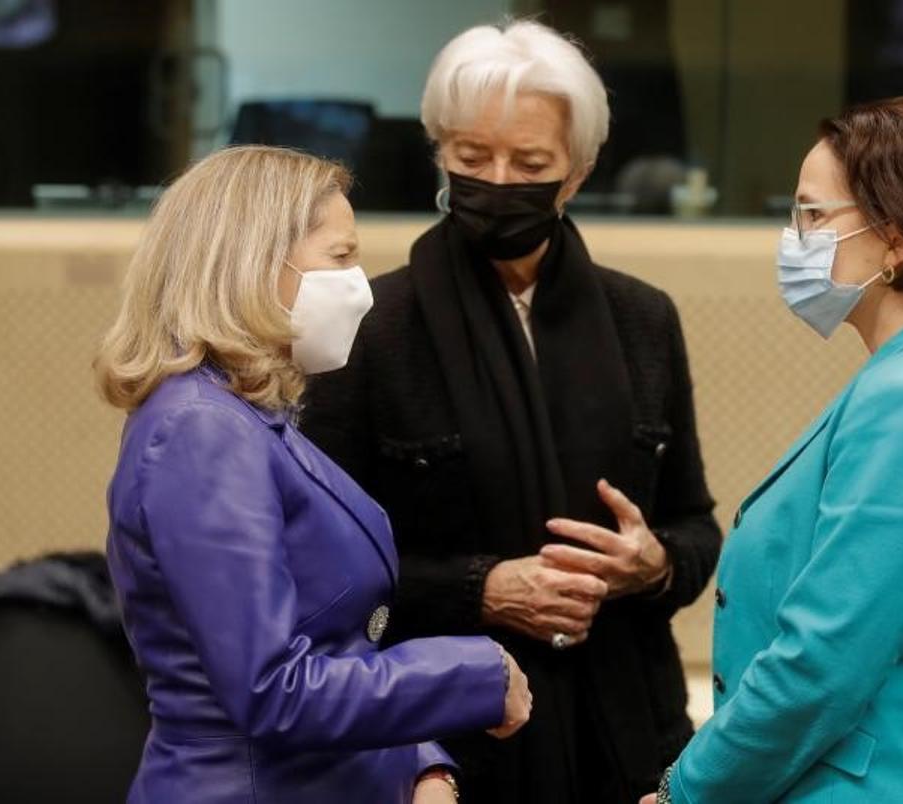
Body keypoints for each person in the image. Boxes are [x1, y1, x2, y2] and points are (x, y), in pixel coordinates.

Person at [300, 20, 722, 804]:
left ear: (578, 173)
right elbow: (322, 574)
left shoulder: (644, 321)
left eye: (529, 163)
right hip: (445, 750)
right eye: (470, 158)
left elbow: (696, 529)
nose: (497, 180)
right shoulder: (372, 326)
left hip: (632, 738)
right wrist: (482, 588)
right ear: (438, 155)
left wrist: (651, 564)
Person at [94, 145, 532, 804]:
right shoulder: (201, 431)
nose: (360, 283)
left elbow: (336, 644)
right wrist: (475, 672)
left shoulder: (245, 416)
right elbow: (272, 691)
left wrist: (420, 761)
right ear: (254, 267)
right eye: (341, 258)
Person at [644, 96, 903, 803]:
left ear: (897, 239)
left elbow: (822, 663)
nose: (794, 238)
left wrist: (687, 788)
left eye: (814, 216)